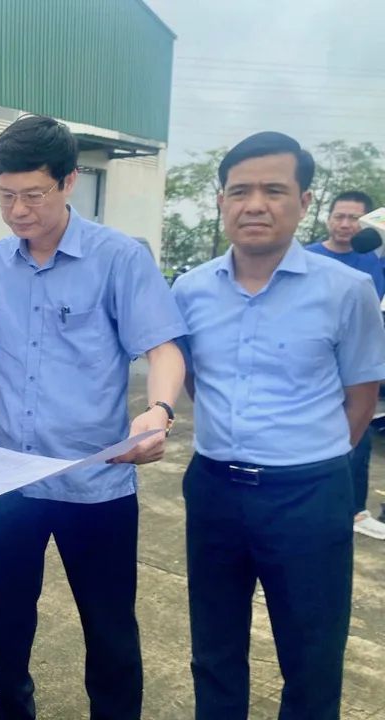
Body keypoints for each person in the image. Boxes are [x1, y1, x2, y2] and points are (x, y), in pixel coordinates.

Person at [0, 115, 187, 720]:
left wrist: (159, 410)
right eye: (6, 195)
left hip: (96, 481)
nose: (18, 210)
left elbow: (163, 348)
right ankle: (12, 709)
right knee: (9, 614)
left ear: (68, 182)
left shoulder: (118, 258)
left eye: (33, 194)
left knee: (108, 627)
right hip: (12, 477)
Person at [172, 132, 385, 720]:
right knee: (214, 648)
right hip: (214, 489)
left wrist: (309, 459)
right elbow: (194, 381)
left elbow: (360, 399)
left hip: (308, 496)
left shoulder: (348, 291)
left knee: (312, 655)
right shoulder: (190, 290)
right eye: (240, 191)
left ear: (304, 201)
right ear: (221, 201)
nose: (255, 205)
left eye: (274, 190)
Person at [306, 189, 385, 540]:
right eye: (339, 216)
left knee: (359, 438)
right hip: (317, 364)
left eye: (354, 218)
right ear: (328, 219)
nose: (345, 224)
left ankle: (354, 510)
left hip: (360, 365)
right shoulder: (307, 257)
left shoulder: (375, 260)